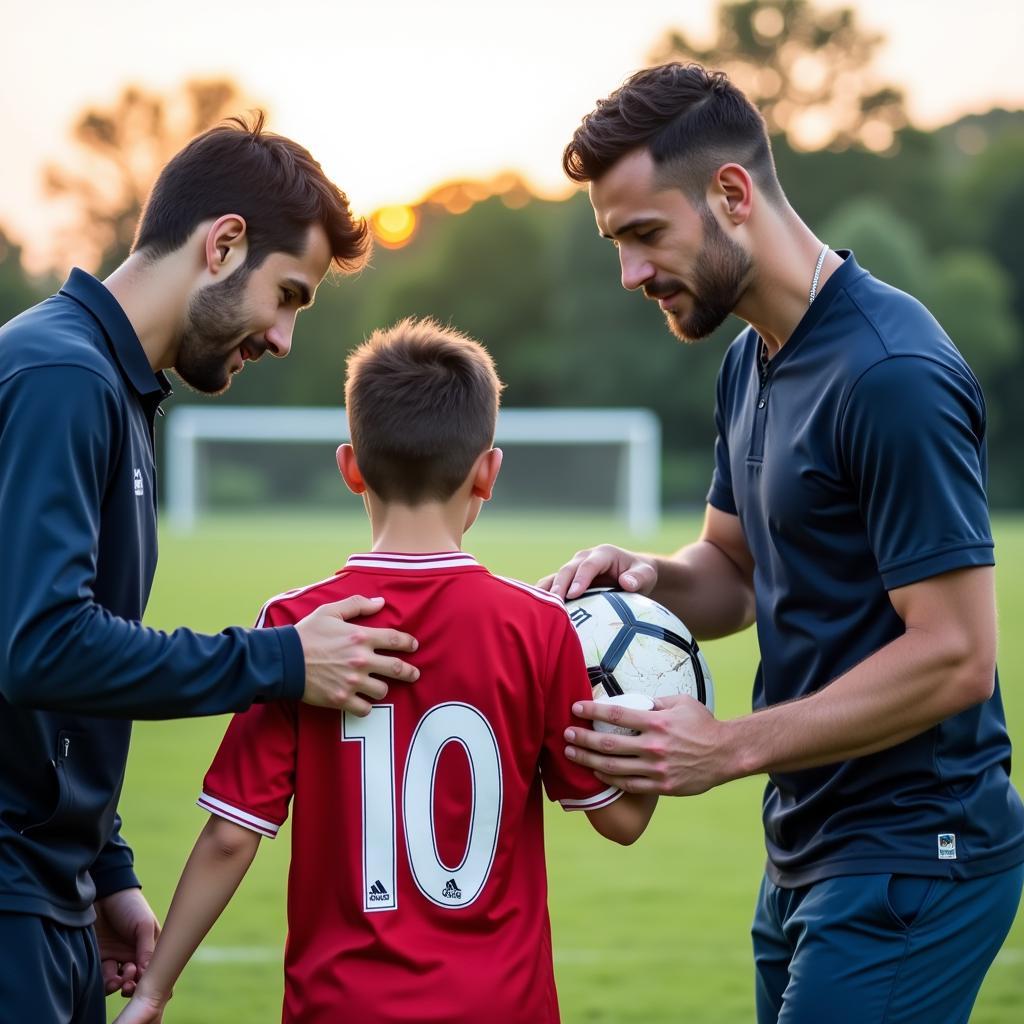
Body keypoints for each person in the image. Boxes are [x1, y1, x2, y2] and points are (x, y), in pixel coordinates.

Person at [539, 63, 1024, 1023]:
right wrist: (643, 579)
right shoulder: (749, 362)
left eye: (645, 235)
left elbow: (960, 655)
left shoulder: (891, 373)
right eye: (616, 244)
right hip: (807, 849)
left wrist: (730, 747)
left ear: (731, 194)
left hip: (916, 856)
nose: (631, 274)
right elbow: (733, 572)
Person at [110, 317, 656, 1024]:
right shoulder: (540, 626)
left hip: (340, 1005)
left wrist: (155, 990)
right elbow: (621, 822)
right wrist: (654, 717)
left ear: (350, 467)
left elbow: (230, 835)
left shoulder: (299, 627)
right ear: (488, 472)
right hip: (501, 1007)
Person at [0, 115, 421, 1024]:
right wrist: (280, 662)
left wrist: (104, 865)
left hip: (52, 895)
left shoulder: (112, 390)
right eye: (288, 296)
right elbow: (41, 646)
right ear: (224, 244)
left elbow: (55, 695)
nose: (282, 338)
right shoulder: (58, 378)